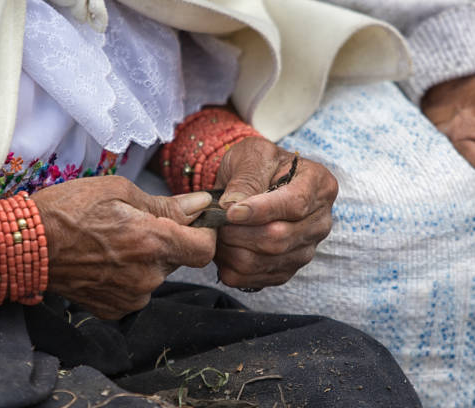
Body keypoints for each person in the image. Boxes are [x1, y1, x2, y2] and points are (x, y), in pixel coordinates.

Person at [0, 0, 427, 406]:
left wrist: (226, 164)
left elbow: (122, 98)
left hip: (68, 319)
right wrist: (14, 248)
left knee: (346, 373)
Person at [167, 1, 475, 406]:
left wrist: (458, 81)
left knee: (440, 211)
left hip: (302, 31)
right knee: (394, 221)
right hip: (175, 47)